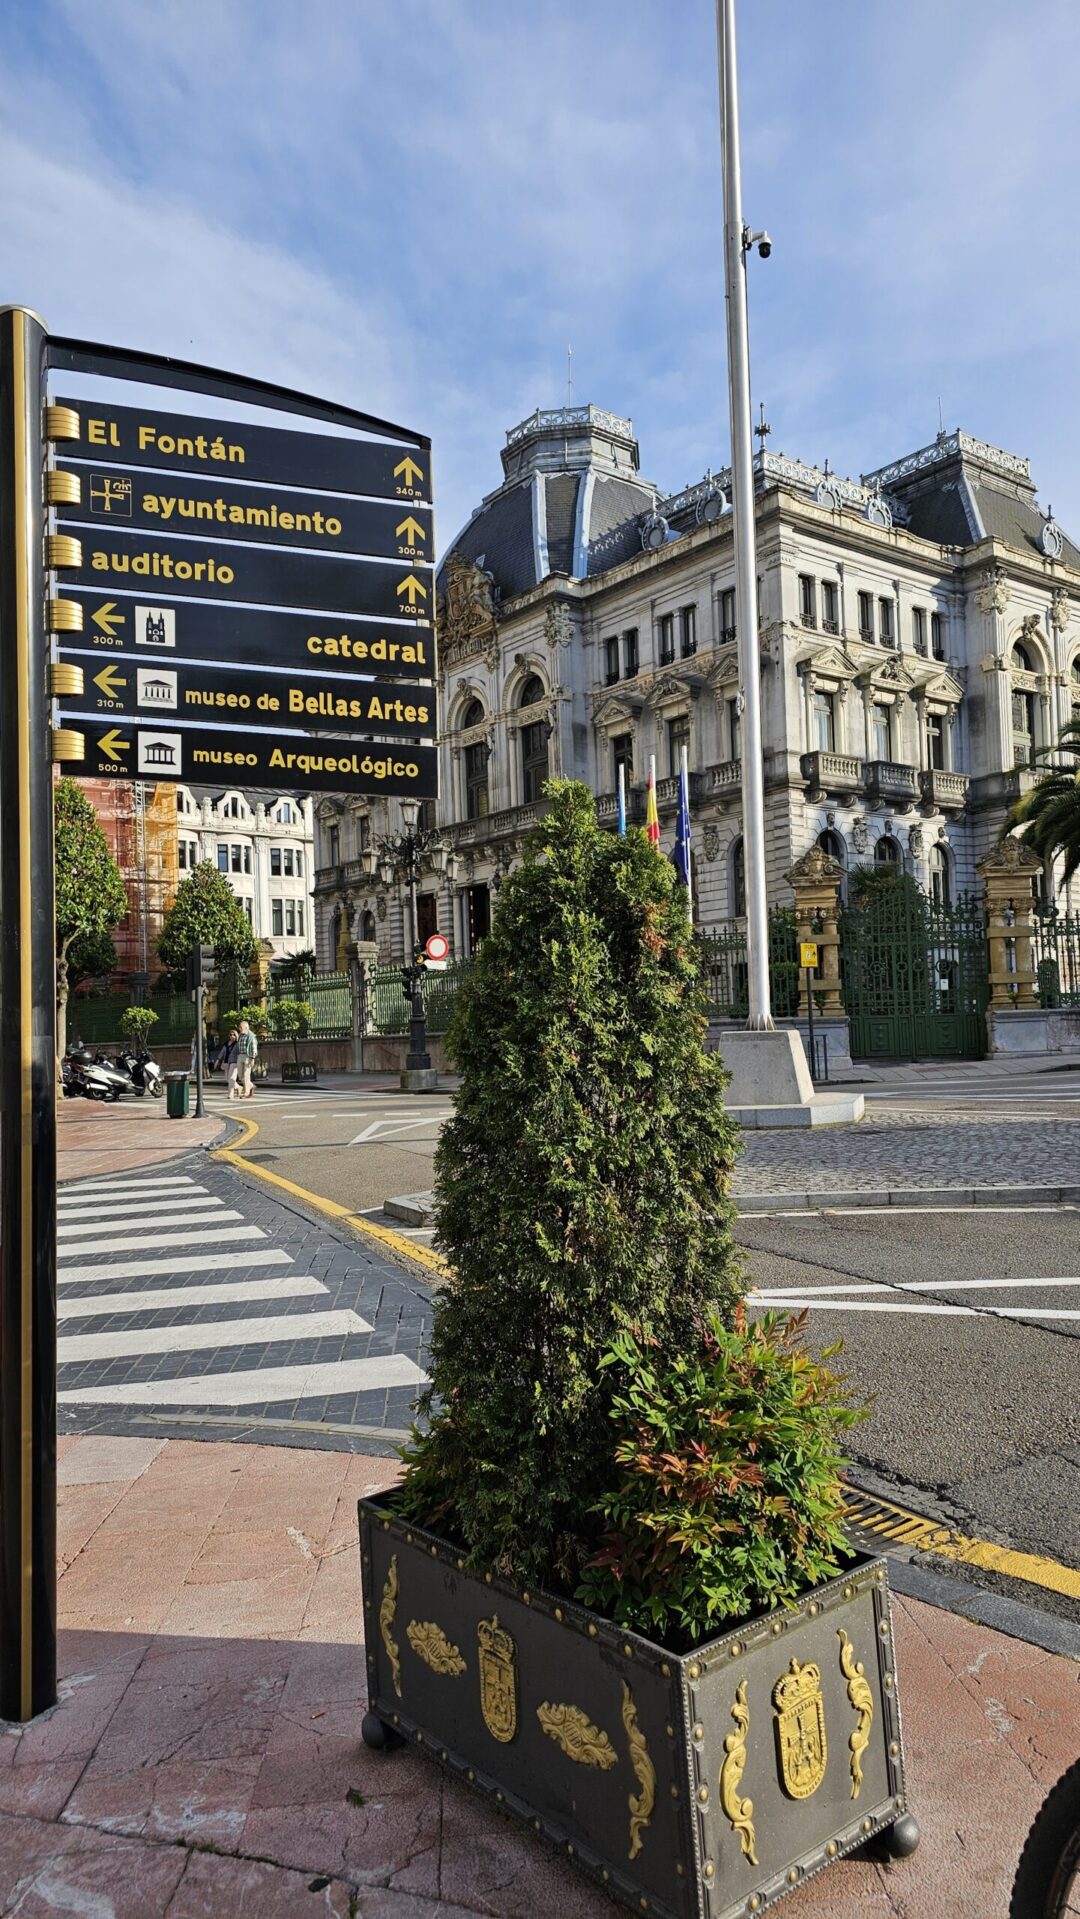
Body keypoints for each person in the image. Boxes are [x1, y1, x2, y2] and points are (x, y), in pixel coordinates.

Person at [217, 1028, 241, 1100]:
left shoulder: (237, 1044)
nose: (232, 1036)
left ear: (236, 1036)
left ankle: (231, 1094)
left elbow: (239, 1053)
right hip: (227, 1062)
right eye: (231, 1034)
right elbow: (222, 1053)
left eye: (234, 1034)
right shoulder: (226, 1044)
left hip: (234, 1062)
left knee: (231, 1078)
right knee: (227, 1078)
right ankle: (238, 1087)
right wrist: (217, 1061)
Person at [237, 1018, 258, 1098]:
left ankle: (247, 1092)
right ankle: (251, 1086)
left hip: (247, 1056)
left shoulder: (251, 1036)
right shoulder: (241, 1035)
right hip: (240, 1055)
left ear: (246, 1028)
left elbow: (254, 1048)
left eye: (241, 1027)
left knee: (246, 1075)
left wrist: (252, 1058)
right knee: (240, 1075)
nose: (239, 1029)